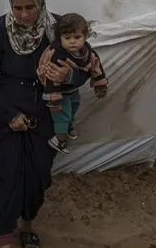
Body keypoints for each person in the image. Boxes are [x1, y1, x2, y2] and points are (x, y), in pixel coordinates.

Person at [0, 0, 72, 248]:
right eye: (17, 7)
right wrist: (7, 114)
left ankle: (27, 224)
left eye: (30, 7)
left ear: (40, 3)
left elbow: (84, 65)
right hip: (8, 113)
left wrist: (69, 73)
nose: (24, 14)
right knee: (8, 176)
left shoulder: (56, 28)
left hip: (46, 115)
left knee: (38, 177)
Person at [42, 13, 109, 154]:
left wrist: (100, 85)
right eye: (67, 38)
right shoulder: (57, 55)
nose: (72, 41)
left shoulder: (87, 53)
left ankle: (69, 126)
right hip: (59, 93)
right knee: (62, 114)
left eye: (77, 37)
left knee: (74, 106)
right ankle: (59, 139)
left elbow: (96, 67)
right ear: (60, 37)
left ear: (85, 37)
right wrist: (52, 98)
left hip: (73, 91)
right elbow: (50, 75)